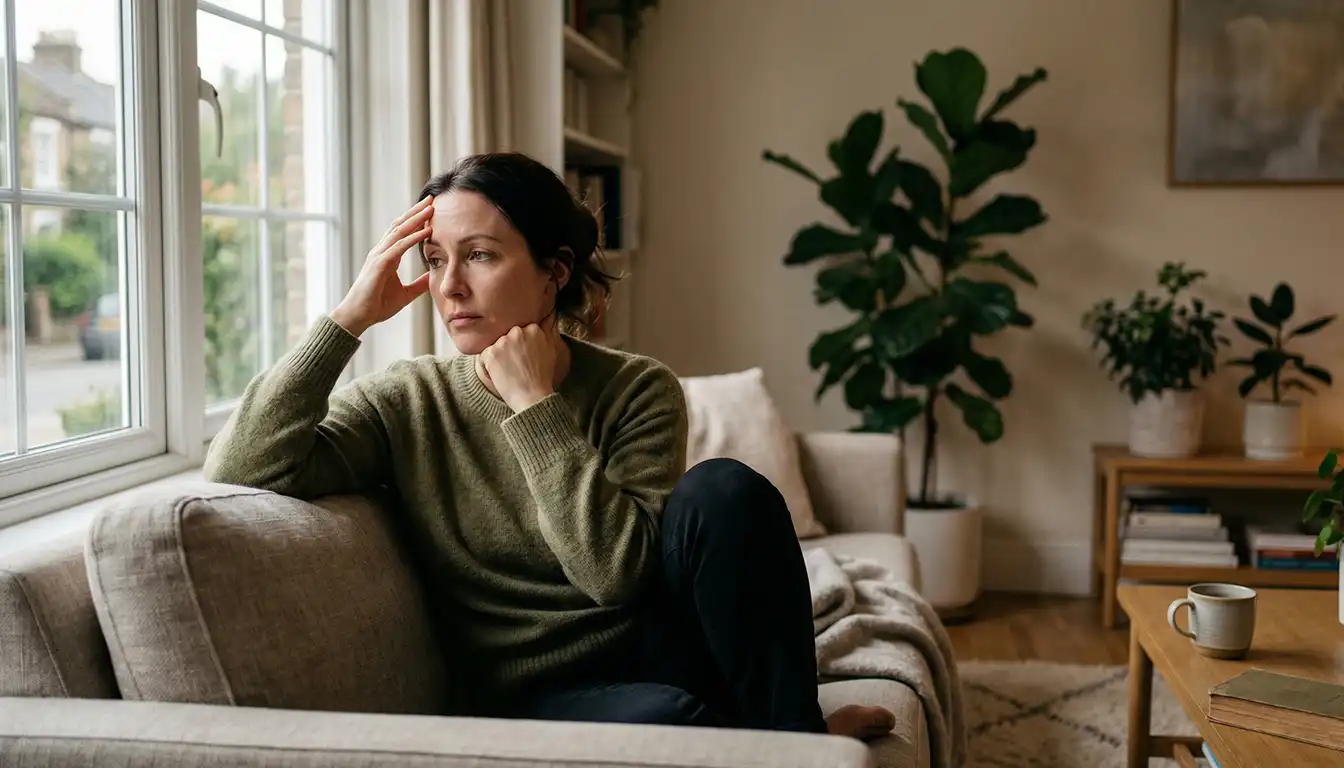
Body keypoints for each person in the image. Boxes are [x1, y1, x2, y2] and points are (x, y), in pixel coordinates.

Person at [204, 151, 895, 741]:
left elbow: (615, 575)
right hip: (536, 694)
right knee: (673, 727)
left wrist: (536, 407)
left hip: (657, 647)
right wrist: (351, 316)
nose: (449, 287)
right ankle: (767, 732)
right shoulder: (408, 400)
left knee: (725, 489)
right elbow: (245, 463)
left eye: (479, 256)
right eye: (436, 259)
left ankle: (793, 738)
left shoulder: (636, 389)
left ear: (553, 272)